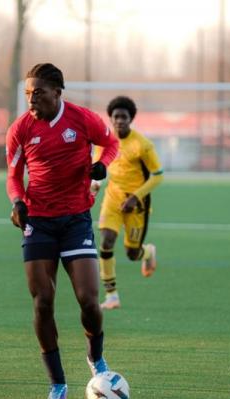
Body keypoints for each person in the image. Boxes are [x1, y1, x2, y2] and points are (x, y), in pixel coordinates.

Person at [6, 63, 119, 399]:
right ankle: (57, 383)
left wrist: (103, 164)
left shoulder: (83, 119)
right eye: (27, 93)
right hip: (38, 221)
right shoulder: (20, 129)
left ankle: (95, 357)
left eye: (37, 93)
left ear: (57, 92)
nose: (31, 100)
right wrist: (17, 201)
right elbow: (13, 176)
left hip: (75, 220)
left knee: (88, 298)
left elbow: (110, 144)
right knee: (43, 302)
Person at [92, 96, 164, 310]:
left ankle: (148, 252)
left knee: (132, 254)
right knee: (106, 242)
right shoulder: (104, 141)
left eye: (124, 117)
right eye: (116, 117)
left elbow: (158, 175)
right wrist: (95, 183)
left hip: (137, 204)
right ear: (111, 119)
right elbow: (99, 168)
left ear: (130, 119)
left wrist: (135, 197)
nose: (120, 120)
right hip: (112, 199)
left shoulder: (143, 145)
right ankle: (112, 295)